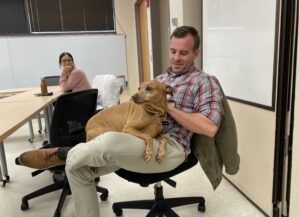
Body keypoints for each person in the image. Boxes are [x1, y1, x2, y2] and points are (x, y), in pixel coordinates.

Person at [16, 26, 223, 217]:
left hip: (172, 146)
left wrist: (166, 106)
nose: (176, 58)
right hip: (141, 138)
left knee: (106, 142)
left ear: (196, 53)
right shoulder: (161, 79)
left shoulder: (204, 82)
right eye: (173, 51)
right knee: (77, 170)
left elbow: (210, 127)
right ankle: (73, 156)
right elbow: (135, 111)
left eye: (184, 53)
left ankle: (64, 152)